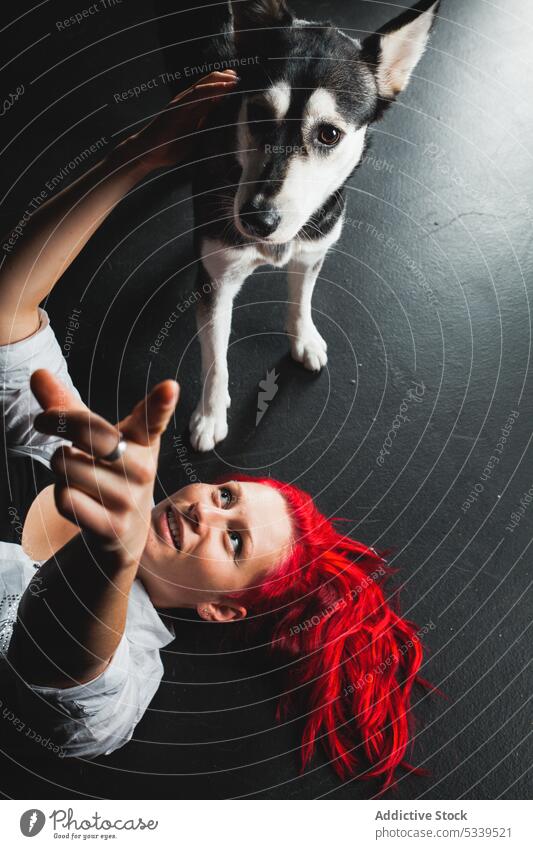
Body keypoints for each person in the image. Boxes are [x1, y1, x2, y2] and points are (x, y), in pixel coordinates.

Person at [0, 70, 429, 790]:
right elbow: (10, 313)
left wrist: (113, 554)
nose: (204, 509)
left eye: (231, 540)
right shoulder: (88, 456)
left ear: (222, 606)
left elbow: (53, 679)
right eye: (226, 496)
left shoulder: (130, 665)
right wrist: (134, 158)